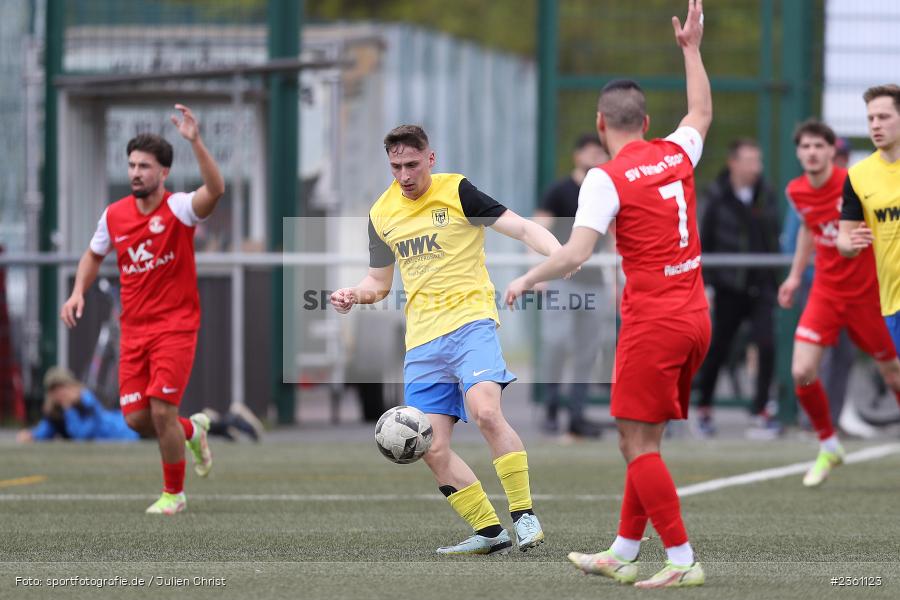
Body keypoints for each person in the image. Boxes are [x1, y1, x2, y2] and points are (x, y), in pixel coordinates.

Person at [505, 0, 711, 588]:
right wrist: (691, 50)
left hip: (655, 322)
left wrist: (525, 277)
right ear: (645, 122)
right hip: (695, 315)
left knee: (635, 440)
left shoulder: (605, 177)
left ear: (601, 124)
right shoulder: (676, 153)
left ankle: (680, 560)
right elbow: (700, 109)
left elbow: (573, 254)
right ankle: (623, 550)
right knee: (640, 439)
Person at [330, 124, 563, 555]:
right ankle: (489, 532)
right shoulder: (382, 213)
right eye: (396, 166)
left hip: (471, 323)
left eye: (412, 165)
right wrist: (353, 294)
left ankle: (524, 515)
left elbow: (523, 228)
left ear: (430, 160)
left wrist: (560, 254)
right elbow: (379, 283)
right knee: (430, 447)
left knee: (486, 411)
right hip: (422, 342)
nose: (404, 175)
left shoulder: (458, 191)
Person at [60, 104, 225, 515]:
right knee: (136, 420)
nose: (136, 172)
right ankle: (194, 429)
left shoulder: (178, 208)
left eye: (145, 166)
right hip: (133, 329)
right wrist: (77, 291)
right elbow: (93, 255)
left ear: (163, 173)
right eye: (132, 164)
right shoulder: (113, 215)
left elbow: (216, 190)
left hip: (175, 326)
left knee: (161, 410)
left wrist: (196, 142)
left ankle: (174, 494)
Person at [778, 118, 900, 487]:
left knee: (892, 371)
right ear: (798, 153)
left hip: (868, 295)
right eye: (806, 147)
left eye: (819, 146)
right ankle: (829, 445)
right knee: (802, 371)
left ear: (833, 151)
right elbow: (808, 230)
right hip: (826, 294)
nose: (812, 153)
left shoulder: (856, 184)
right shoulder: (796, 191)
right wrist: (795, 276)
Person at [694, 137, 781, 437]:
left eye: (758, 160)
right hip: (727, 286)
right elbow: (702, 240)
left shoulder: (765, 196)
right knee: (717, 349)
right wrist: (707, 286)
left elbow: (771, 236)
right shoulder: (716, 196)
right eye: (749, 160)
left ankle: (761, 411)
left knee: (766, 344)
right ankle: (704, 407)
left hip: (761, 287)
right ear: (734, 163)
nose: (755, 167)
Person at [533, 133, 611, 438]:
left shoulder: (605, 193)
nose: (596, 157)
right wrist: (537, 272)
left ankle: (576, 413)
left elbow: (614, 238)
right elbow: (537, 229)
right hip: (560, 281)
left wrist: (616, 281)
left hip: (594, 283)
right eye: (590, 151)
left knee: (588, 351)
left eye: (600, 152)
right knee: (557, 341)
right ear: (578, 155)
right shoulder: (559, 191)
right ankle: (551, 405)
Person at [17, 367, 139, 443]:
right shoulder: (56, 410)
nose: (60, 393)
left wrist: (69, 409)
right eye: (54, 390)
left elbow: (82, 436)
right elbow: (46, 430)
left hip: (126, 431)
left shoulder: (86, 401)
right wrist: (32, 435)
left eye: (62, 387)